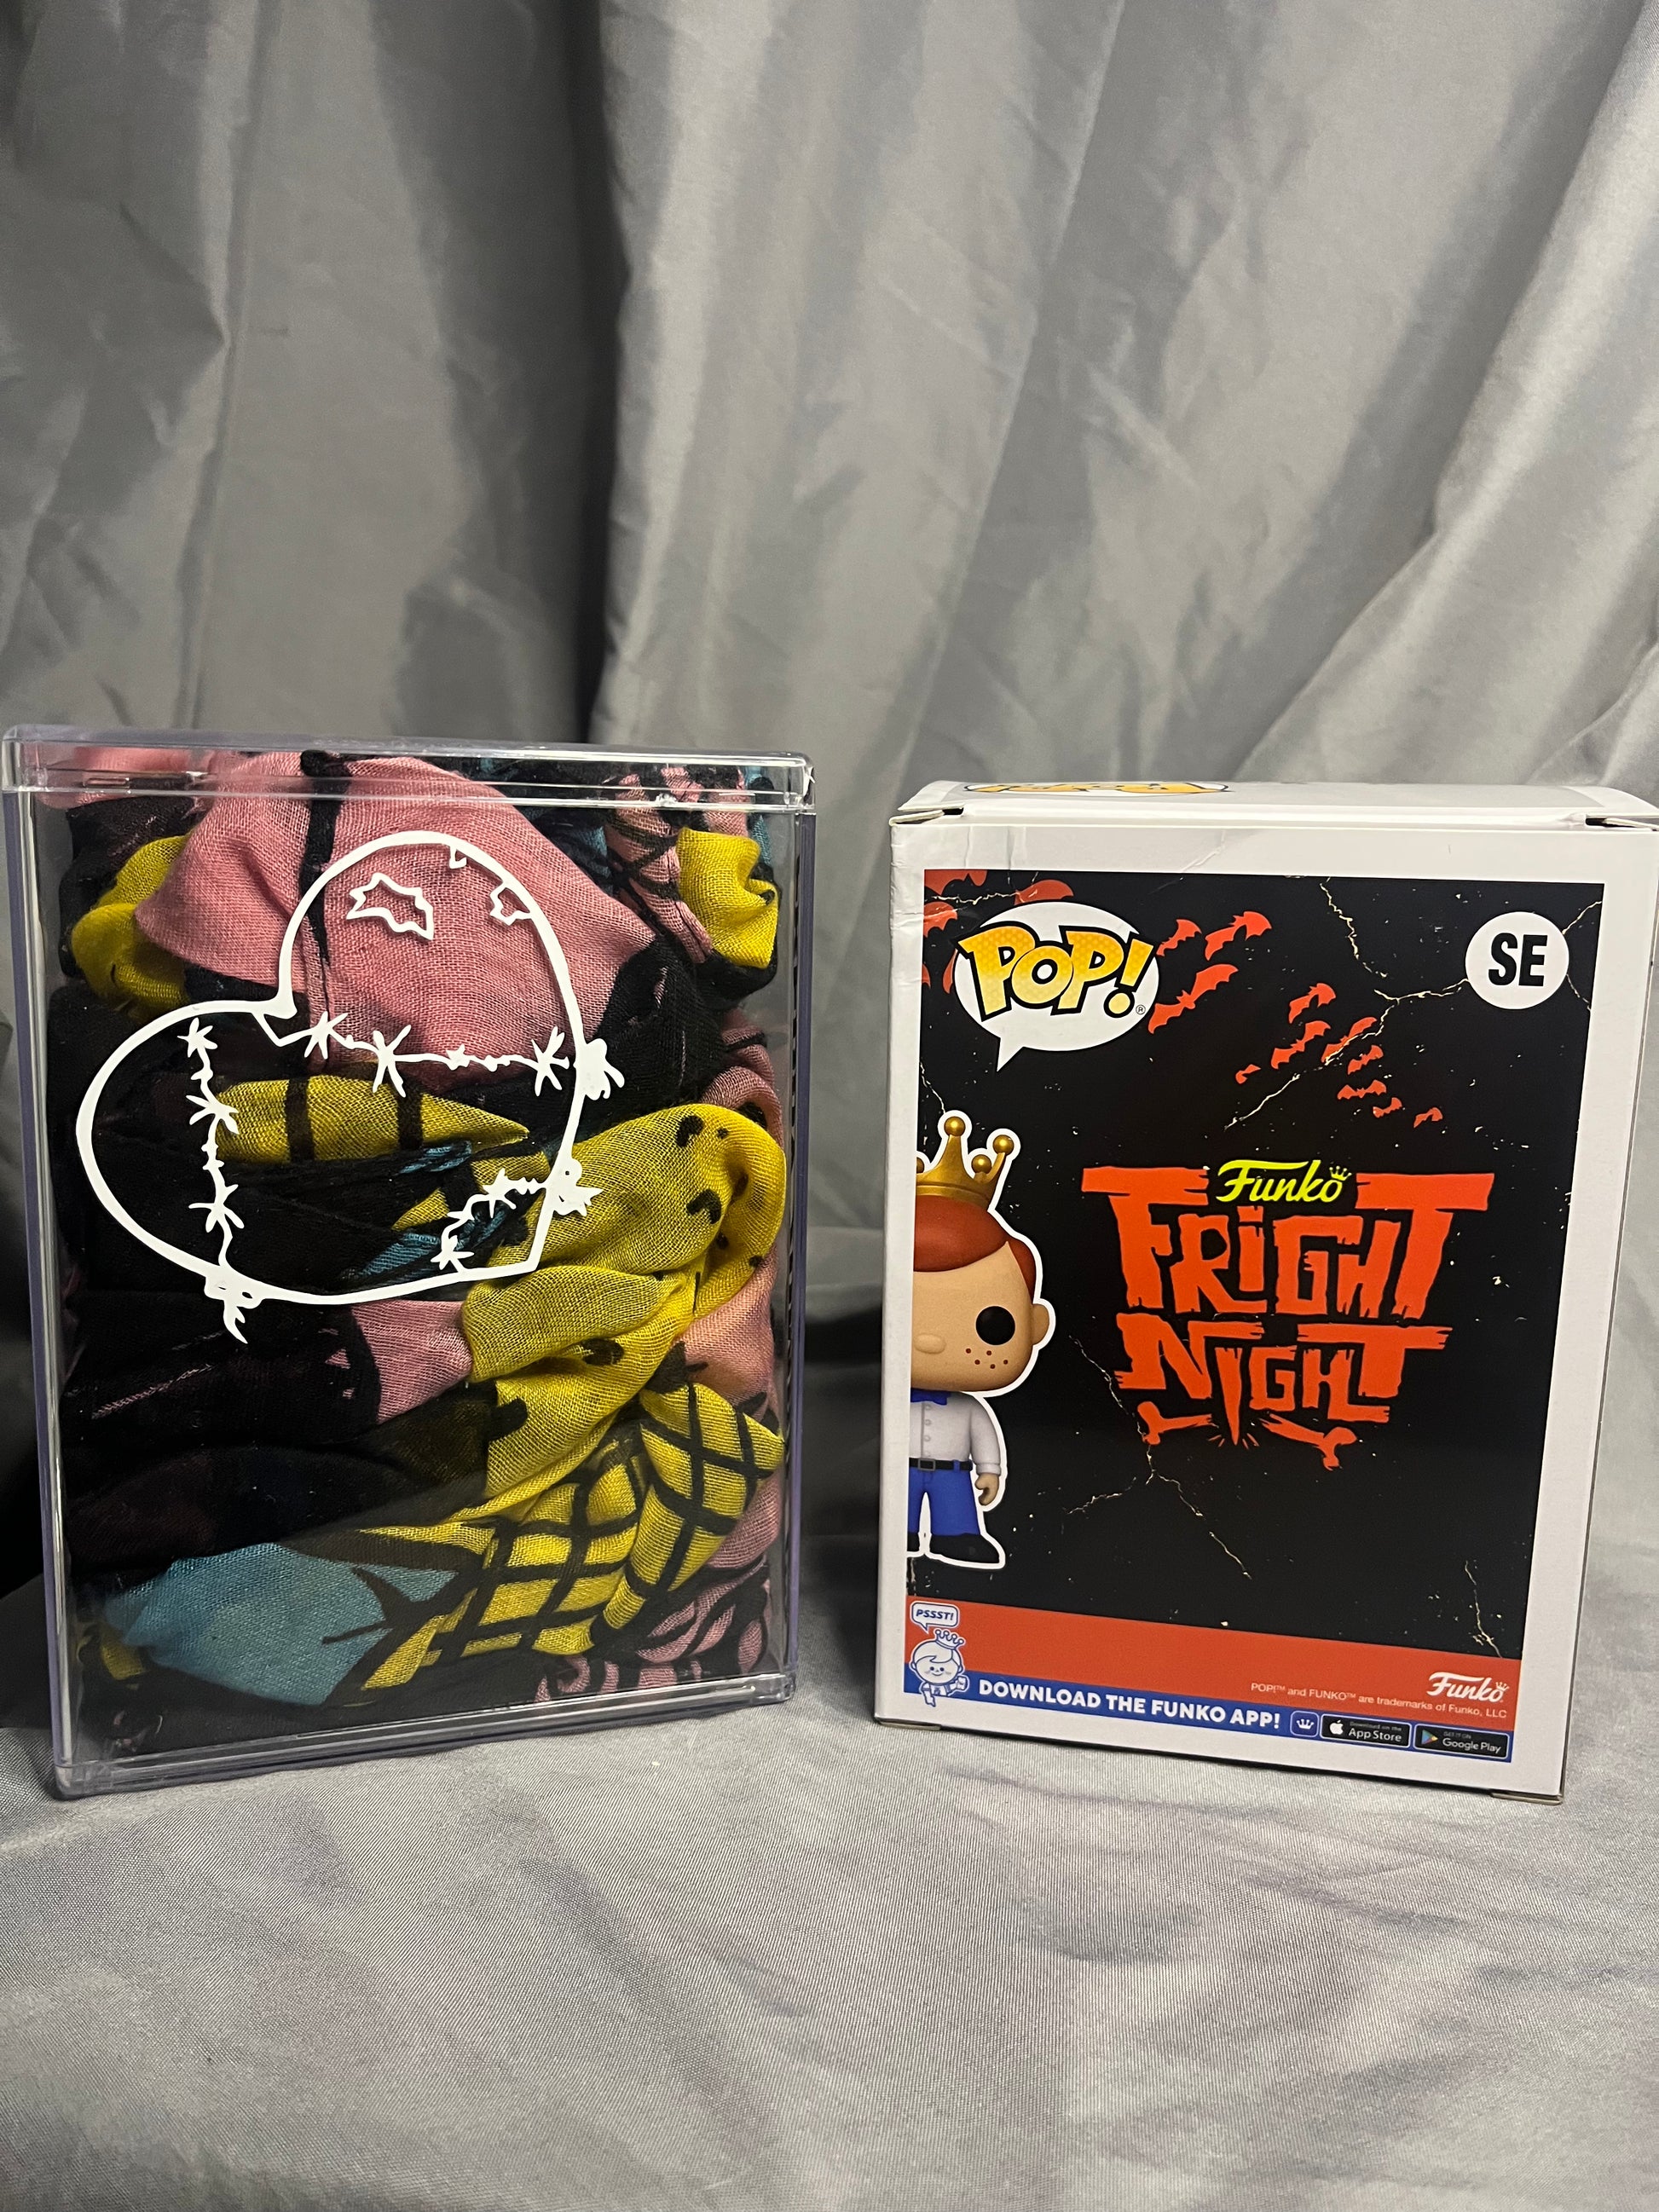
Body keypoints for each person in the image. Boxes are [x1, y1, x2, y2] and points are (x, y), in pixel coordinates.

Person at [910, 1112, 1052, 1568]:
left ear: (1035, 1326)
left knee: (956, 1512)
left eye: (993, 1325)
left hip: (954, 1474)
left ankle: (958, 1537)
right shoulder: (878, 1399)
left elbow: (984, 1438)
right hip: (896, 1473)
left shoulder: (970, 1410)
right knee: (895, 1514)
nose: (929, 1341)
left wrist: (990, 1471)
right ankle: (899, 1535)